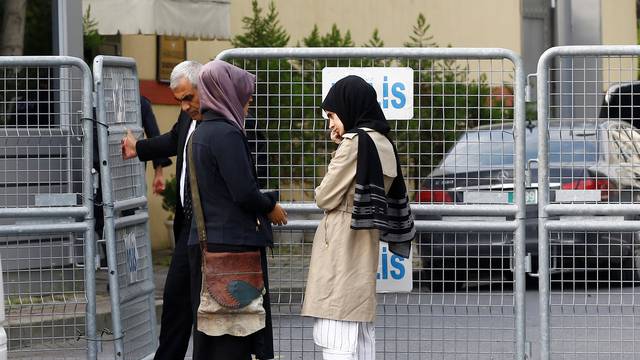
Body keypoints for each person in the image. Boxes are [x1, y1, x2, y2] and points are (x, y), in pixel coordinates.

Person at [301, 75, 415, 360]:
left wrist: (342, 146)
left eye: (332, 116)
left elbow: (324, 196)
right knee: (359, 332)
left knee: (336, 329)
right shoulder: (383, 142)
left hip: (343, 238)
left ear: (349, 107)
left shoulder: (354, 143)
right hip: (364, 238)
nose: (330, 124)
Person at [186, 59, 287, 360]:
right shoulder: (227, 135)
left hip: (208, 243)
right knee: (236, 335)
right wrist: (270, 205)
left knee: (213, 336)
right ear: (227, 92)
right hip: (233, 250)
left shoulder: (199, 133)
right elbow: (243, 192)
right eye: (244, 93)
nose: (249, 100)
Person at [121, 60, 203, 360]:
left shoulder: (218, 118)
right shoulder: (188, 118)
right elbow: (172, 139)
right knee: (176, 302)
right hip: (188, 226)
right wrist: (138, 149)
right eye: (178, 100)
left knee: (201, 307)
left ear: (202, 87)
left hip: (209, 228)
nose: (183, 106)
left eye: (188, 98)